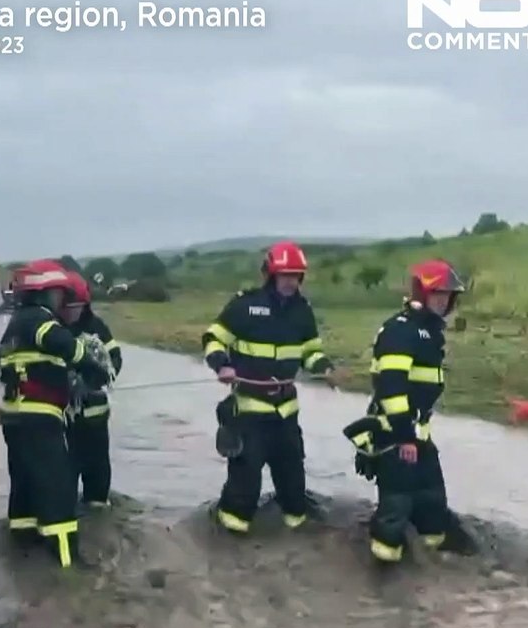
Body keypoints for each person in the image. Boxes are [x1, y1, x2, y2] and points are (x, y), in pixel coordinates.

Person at [345, 258, 476, 563]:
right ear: (422, 293)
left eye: (447, 295)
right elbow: (392, 387)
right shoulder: (401, 330)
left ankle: (431, 560)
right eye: (437, 294)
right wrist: (404, 437)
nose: (443, 301)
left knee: (432, 504)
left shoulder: (428, 331)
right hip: (396, 435)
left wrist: (416, 437)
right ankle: (382, 570)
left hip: (418, 436)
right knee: (396, 506)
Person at [200, 240, 336, 534]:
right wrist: (222, 365)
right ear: (270, 275)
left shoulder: (303, 311)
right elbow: (213, 338)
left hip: (286, 412)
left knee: (293, 484)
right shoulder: (245, 305)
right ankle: (228, 536)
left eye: (295, 276)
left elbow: (310, 351)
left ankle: (296, 532)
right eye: (285, 275)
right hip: (250, 411)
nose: (290, 282)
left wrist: (324, 368)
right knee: (245, 484)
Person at [0, 260, 109, 567]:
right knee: (58, 484)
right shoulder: (40, 319)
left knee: (24, 482)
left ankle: (22, 548)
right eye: (59, 294)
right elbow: (63, 344)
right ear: (44, 293)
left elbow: (30, 367)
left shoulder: (14, 325)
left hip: (14, 416)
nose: (62, 301)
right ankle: (67, 563)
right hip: (39, 418)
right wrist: (92, 367)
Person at [60, 271, 124, 508]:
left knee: (97, 471)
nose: (72, 313)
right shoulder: (53, 328)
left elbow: (115, 360)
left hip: (95, 417)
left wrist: (91, 381)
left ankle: (98, 509)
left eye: (76, 307)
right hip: (62, 420)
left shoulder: (97, 327)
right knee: (63, 473)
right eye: (67, 307)